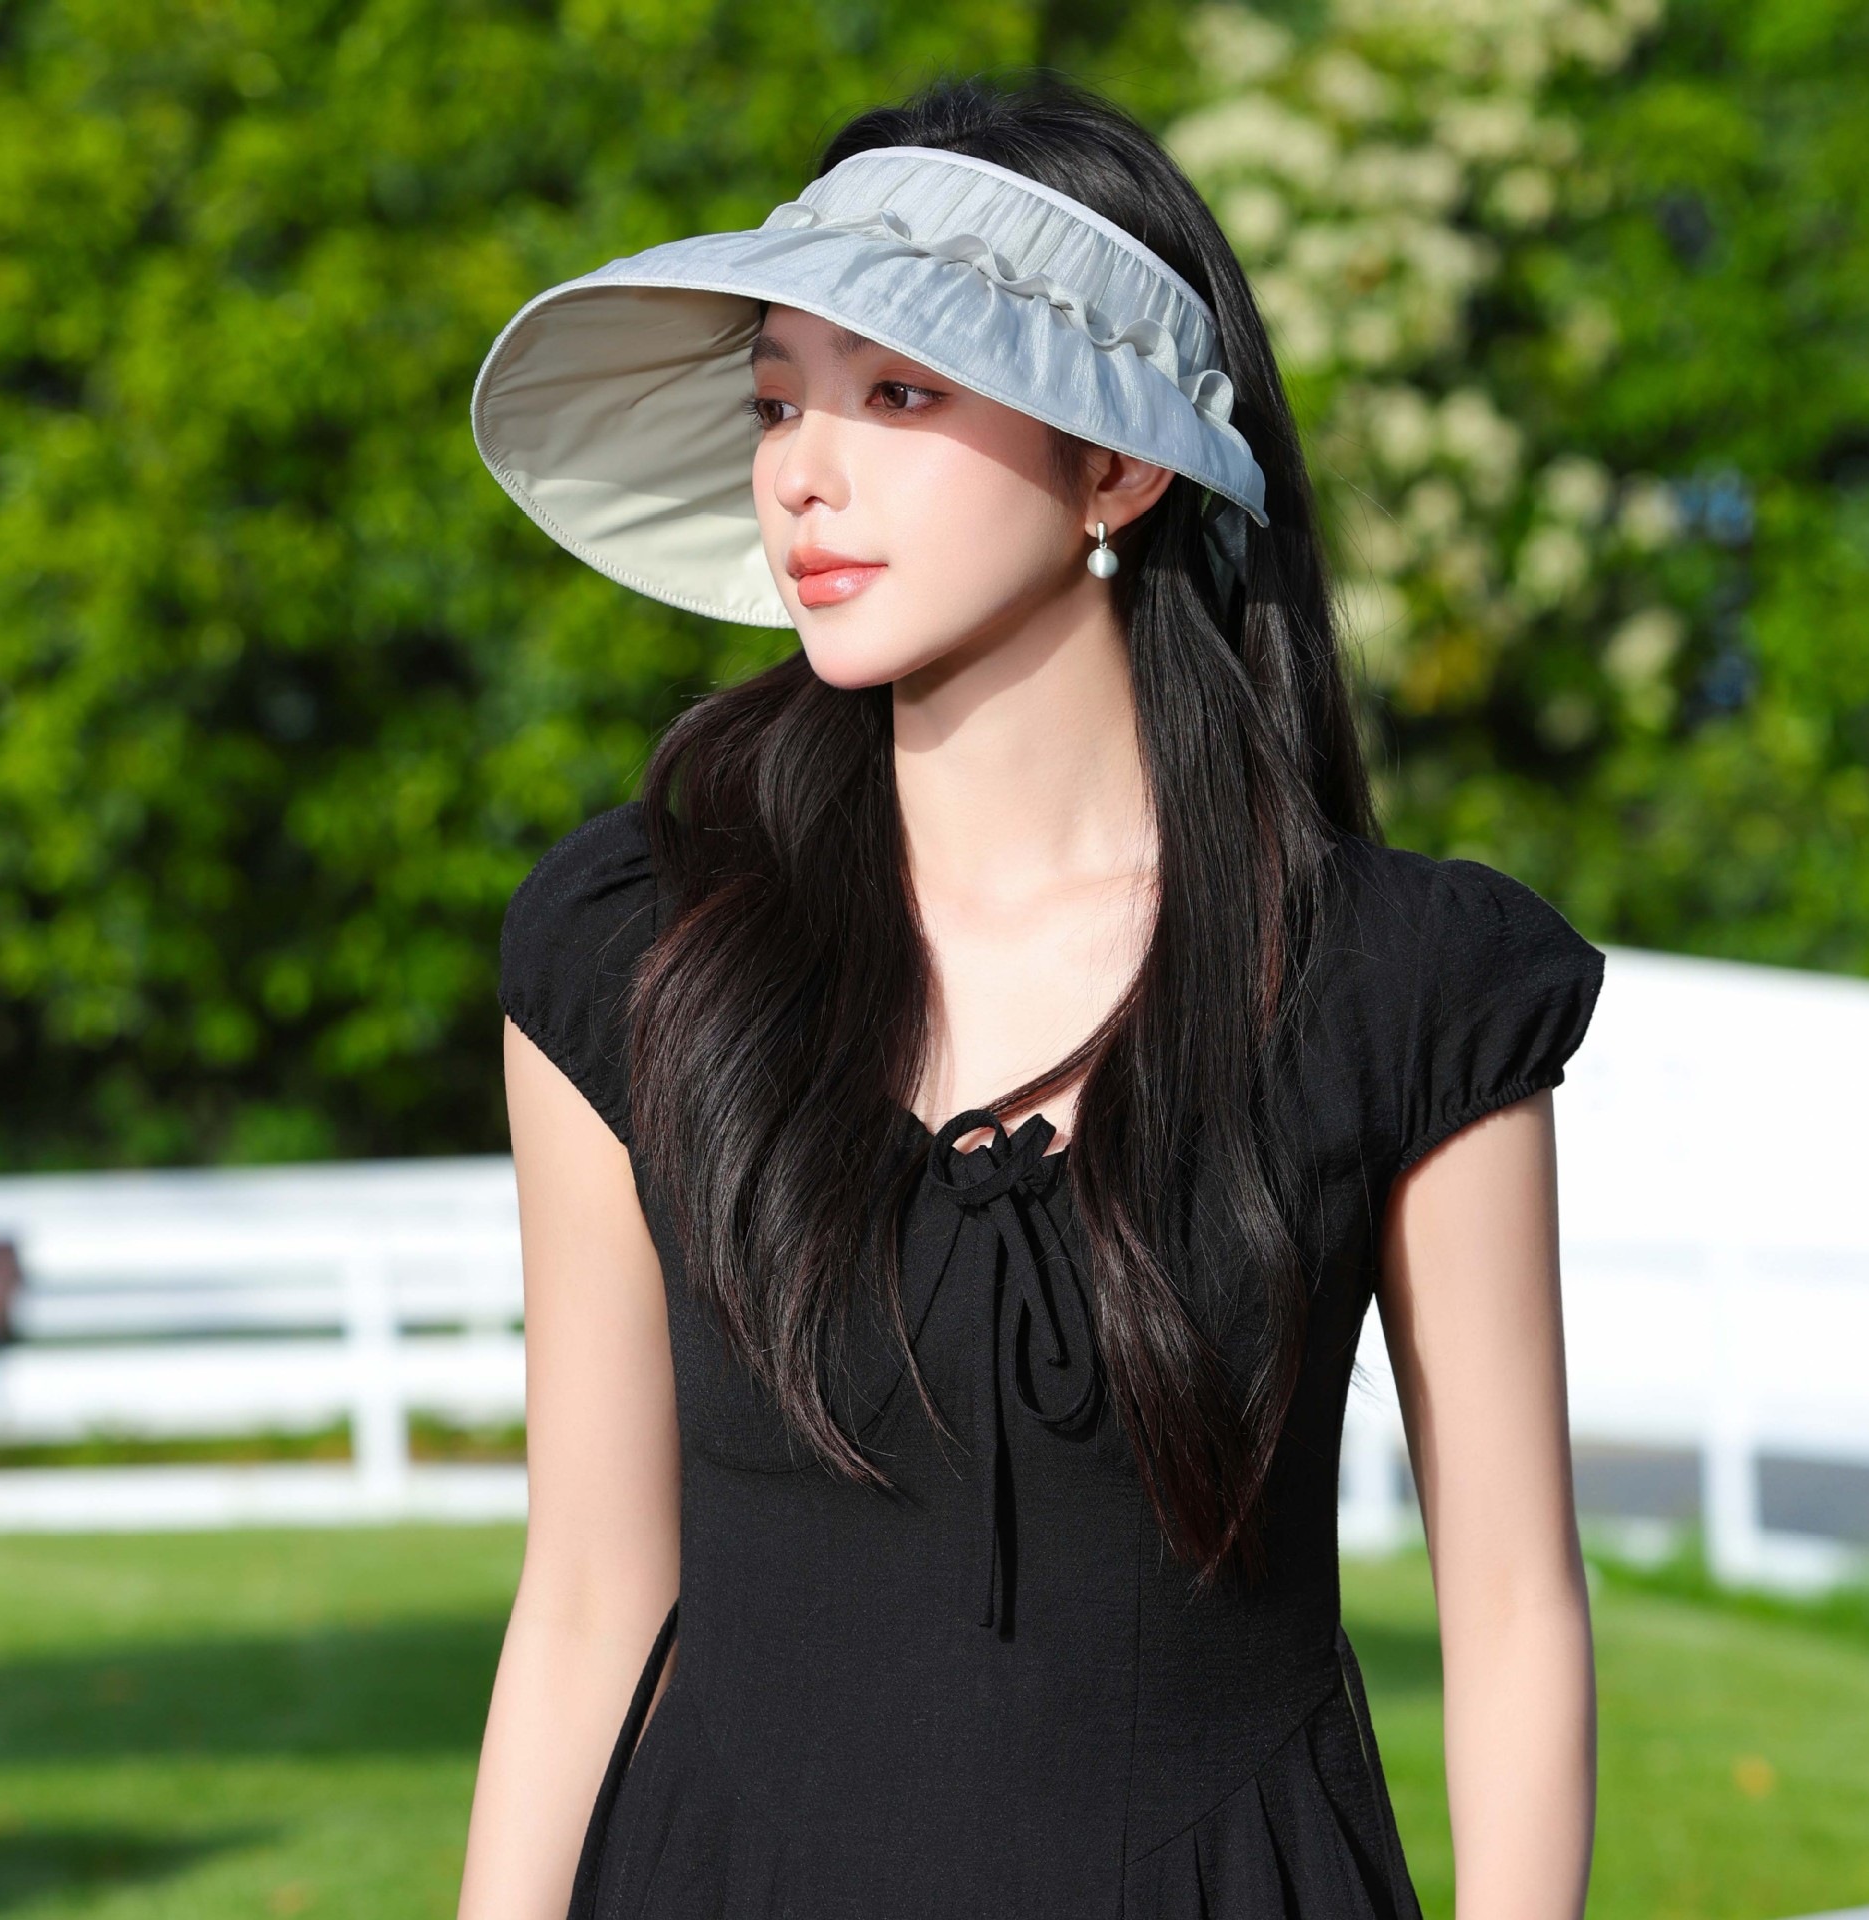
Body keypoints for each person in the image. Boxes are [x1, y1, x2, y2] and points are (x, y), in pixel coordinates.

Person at [455, 72, 1604, 1920]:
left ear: (1120, 467)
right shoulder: (636, 950)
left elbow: (1516, 1608)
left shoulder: (1400, 991)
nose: (800, 473)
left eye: (901, 394)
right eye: (775, 400)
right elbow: (590, 1590)